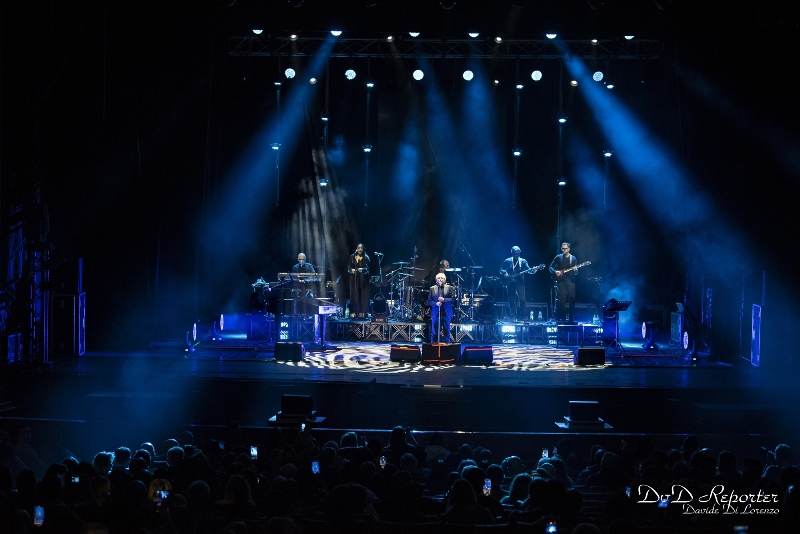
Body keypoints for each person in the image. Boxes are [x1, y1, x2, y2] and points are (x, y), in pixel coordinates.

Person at [499, 246, 532, 322]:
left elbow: (528, 269)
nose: (517, 255)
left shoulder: (523, 261)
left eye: (518, 253)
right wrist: (504, 273)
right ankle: (513, 316)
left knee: (522, 300)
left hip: (520, 283)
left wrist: (533, 270)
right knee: (512, 300)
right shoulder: (507, 261)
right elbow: (501, 269)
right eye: (515, 253)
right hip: (510, 283)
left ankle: (523, 316)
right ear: (512, 253)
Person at [549, 242, 578, 323]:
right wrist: (555, 272)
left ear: (569, 249)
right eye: (562, 248)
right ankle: (563, 317)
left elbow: (576, 273)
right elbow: (550, 267)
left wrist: (576, 270)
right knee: (562, 300)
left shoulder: (573, 258)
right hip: (560, 281)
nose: (563, 250)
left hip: (570, 281)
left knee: (572, 298)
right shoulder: (558, 257)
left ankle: (571, 317)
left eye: (565, 248)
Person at [428, 272, 455, 343]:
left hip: (446, 313)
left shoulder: (449, 288)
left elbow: (453, 299)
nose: (440, 279)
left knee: (447, 332)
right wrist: (436, 304)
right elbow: (429, 301)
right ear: (436, 280)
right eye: (438, 278)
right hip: (436, 313)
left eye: (442, 278)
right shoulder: (432, 288)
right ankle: (433, 346)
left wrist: (444, 300)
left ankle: (447, 346)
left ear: (445, 280)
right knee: (434, 332)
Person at [348, 244, 370, 318]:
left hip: (363, 279)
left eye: (361, 248)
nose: (360, 249)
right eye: (359, 248)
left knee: (363, 295)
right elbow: (348, 267)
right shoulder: (352, 257)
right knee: (354, 294)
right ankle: (354, 312)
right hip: (354, 278)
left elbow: (367, 269)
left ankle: (362, 312)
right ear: (356, 249)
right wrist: (351, 270)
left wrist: (362, 269)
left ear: (363, 249)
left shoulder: (366, 257)